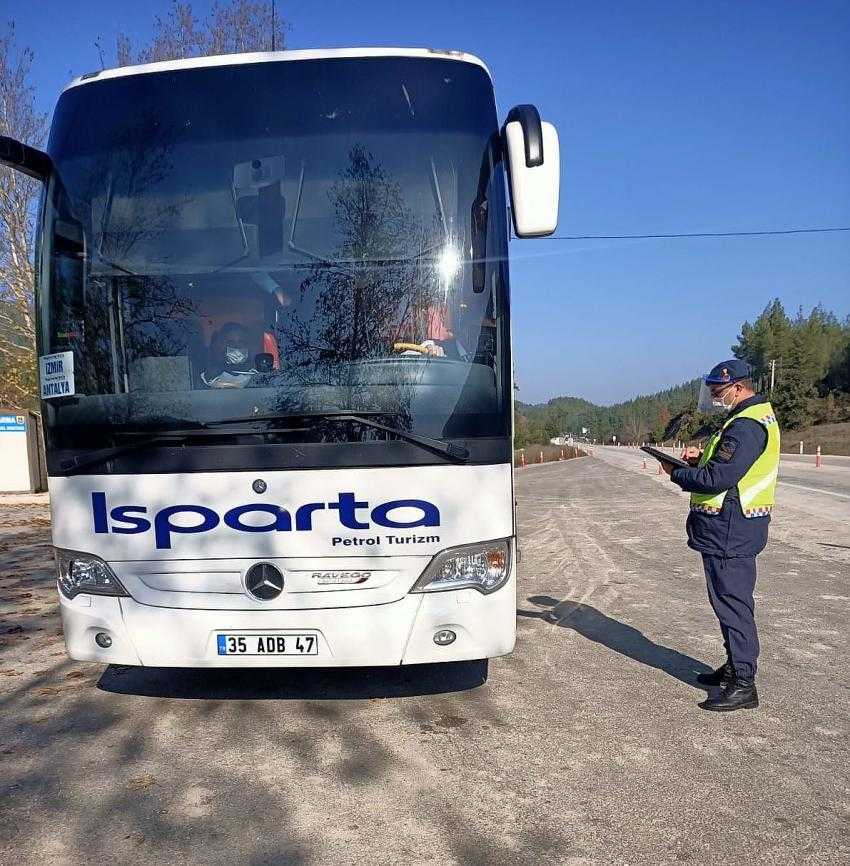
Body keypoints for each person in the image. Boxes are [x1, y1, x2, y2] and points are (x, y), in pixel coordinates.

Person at [660, 359, 780, 712]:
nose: (714, 396)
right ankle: (734, 667)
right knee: (727, 601)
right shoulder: (748, 418)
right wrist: (698, 460)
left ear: (738, 387)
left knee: (733, 604)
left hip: (731, 529)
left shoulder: (746, 426)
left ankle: (744, 682)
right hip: (731, 527)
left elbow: (718, 480)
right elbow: (724, 468)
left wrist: (677, 474)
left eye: (718, 390)